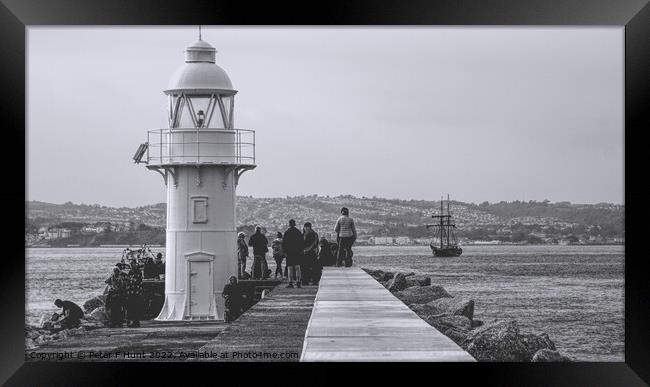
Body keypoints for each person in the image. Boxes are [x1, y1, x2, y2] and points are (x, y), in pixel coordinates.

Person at [282, 219, 304, 288]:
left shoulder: (287, 232)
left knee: (290, 268)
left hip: (289, 253)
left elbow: (284, 243)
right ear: (295, 224)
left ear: (289, 224)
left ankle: (290, 282)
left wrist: (284, 252)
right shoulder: (298, 232)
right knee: (297, 267)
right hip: (297, 252)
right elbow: (302, 242)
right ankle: (298, 282)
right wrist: (301, 251)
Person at [125, 260, 144, 328]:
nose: (131, 265)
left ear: (135, 264)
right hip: (131, 292)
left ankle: (136, 322)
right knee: (131, 308)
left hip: (136, 292)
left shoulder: (137, 271)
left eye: (132, 264)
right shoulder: (131, 271)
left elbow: (137, 280)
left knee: (135, 307)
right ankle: (133, 321)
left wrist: (130, 279)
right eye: (130, 264)